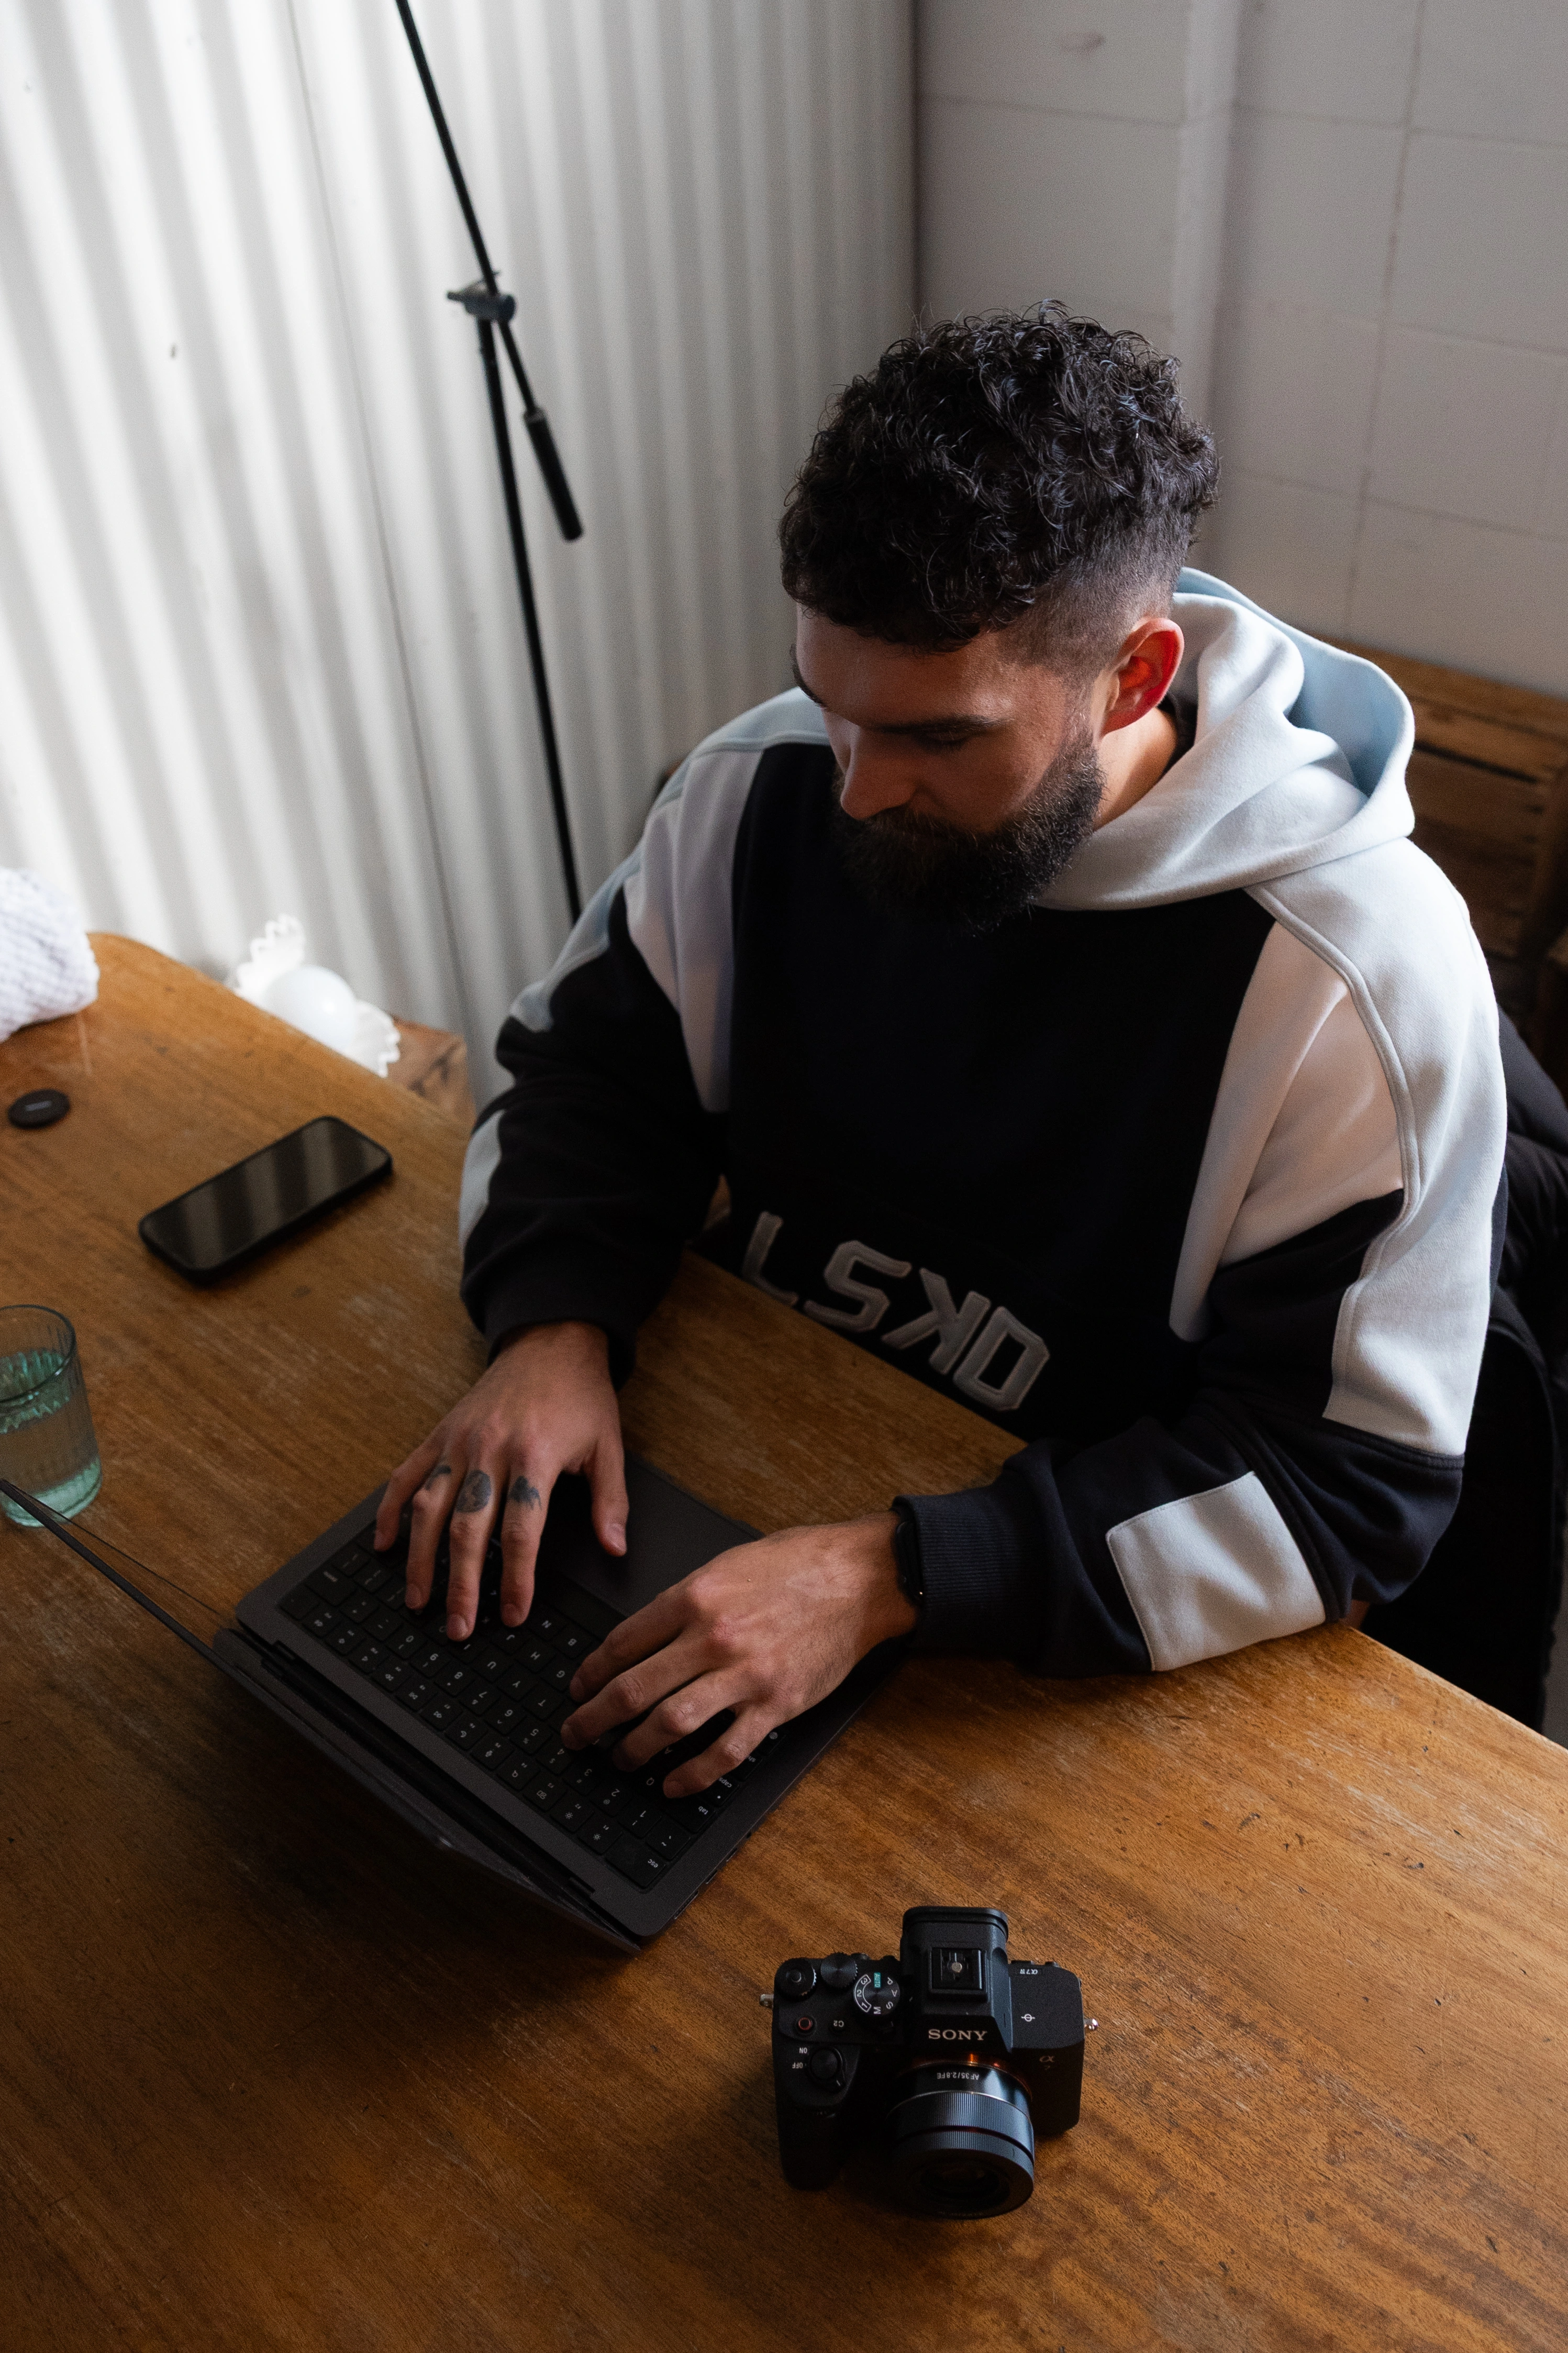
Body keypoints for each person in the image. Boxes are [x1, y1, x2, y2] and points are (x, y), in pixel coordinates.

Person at [374, 305, 1505, 1803]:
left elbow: (1349, 1486)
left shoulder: (1354, 982)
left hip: (1047, 1666)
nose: (851, 790)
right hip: (747, 1474)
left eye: (936, 739)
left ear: (1133, 677)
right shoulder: (760, 788)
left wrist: (890, 1579)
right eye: (831, 706)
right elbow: (582, 1074)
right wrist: (552, 1319)